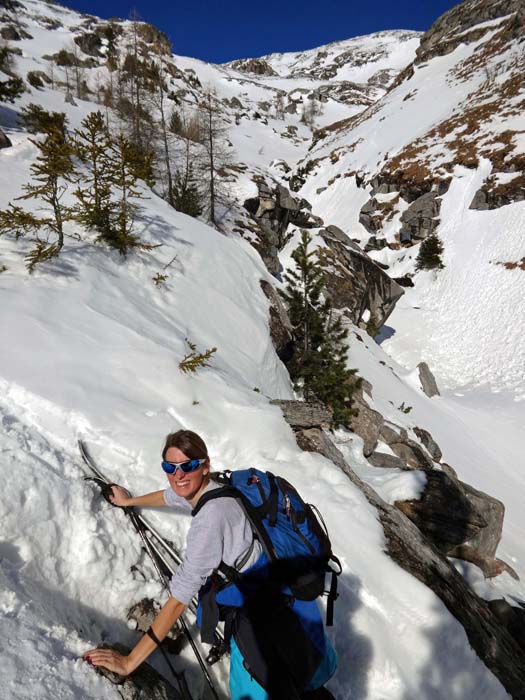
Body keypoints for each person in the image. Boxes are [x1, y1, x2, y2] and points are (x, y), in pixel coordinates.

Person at [84, 429, 337, 699]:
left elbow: (178, 600)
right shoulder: (217, 487)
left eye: (188, 466)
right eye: (170, 467)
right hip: (281, 596)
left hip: (257, 615)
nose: (178, 475)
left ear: (205, 466)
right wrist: (129, 501)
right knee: (300, 677)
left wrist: (129, 662)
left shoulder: (210, 522)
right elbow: (172, 495)